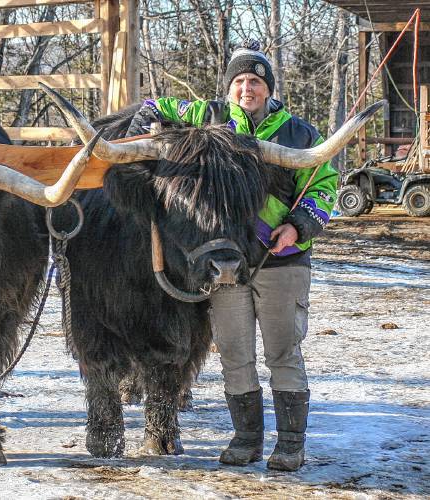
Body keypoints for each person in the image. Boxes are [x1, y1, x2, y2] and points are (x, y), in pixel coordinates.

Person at [126, 40, 337, 471]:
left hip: (282, 259)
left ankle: (290, 443)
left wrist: (298, 226)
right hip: (226, 261)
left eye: (255, 81)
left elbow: (325, 187)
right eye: (239, 81)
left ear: (268, 87)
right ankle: (246, 439)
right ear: (229, 87)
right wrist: (143, 127)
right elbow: (153, 104)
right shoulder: (209, 115)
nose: (247, 89)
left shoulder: (300, 135)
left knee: (283, 352)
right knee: (235, 353)